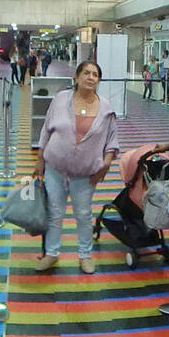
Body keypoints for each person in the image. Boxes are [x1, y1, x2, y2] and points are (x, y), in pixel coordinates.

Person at [37, 58, 123, 275]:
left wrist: (104, 165)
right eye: (86, 73)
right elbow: (46, 129)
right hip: (55, 168)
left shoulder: (105, 107)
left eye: (95, 74)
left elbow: (112, 141)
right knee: (54, 213)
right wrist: (40, 160)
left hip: (85, 174)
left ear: (99, 80)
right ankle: (51, 253)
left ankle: (85, 255)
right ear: (76, 77)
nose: (90, 77)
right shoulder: (60, 99)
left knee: (83, 215)